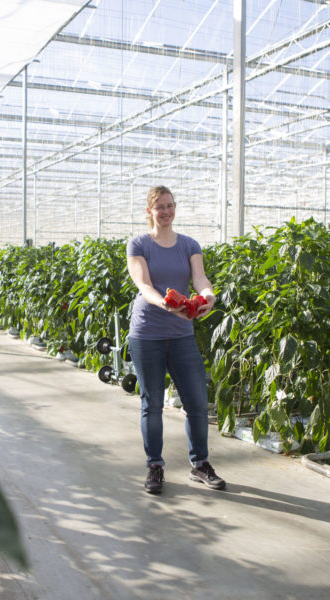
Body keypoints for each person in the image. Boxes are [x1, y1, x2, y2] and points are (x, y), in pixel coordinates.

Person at [126, 185, 225, 494]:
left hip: (181, 334)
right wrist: (166, 303)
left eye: (170, 205)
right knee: (152, 404)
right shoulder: (138, 244)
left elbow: (199, 278)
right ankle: (155, 466)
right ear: (149, 211)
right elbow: (143, 284)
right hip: (147, 333)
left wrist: (206, 295)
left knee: (196, 402)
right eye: (160, 207)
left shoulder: (189, 244)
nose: (166, 211)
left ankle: (200, 465)